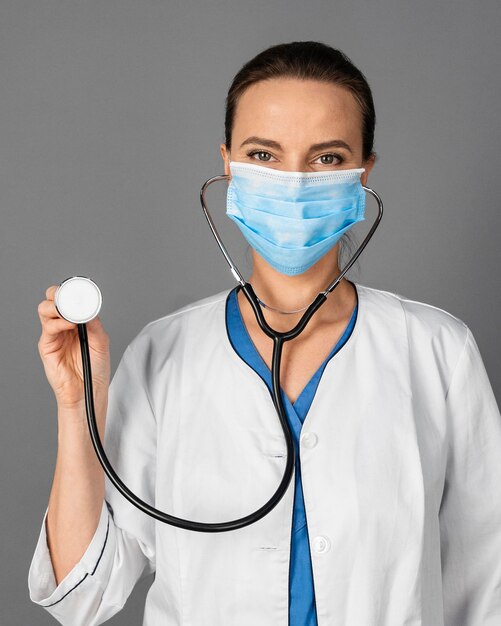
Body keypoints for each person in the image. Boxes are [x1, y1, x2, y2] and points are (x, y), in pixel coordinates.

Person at [28, 41, 501, 626]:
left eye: (326, 158)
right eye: (264, 154)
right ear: (228, 163)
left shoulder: (438, 353)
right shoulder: (162, 355)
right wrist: (78, 407)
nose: (294, 183)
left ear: (363, 173)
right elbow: (82, 598)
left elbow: (488, 587)